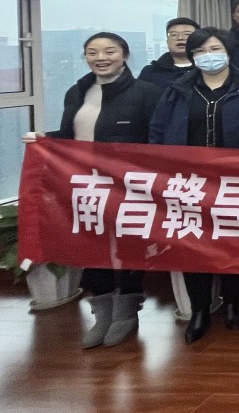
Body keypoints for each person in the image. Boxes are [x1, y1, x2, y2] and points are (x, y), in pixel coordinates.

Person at [25, 32, 163, 348]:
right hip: (83, 183)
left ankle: (127, 313)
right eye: (93, 52)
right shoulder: (77, 91)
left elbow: (157, 141)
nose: (101, 57)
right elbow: (71, 136)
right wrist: (44, 139)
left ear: (125, 55)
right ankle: (103, 313)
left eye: (109, 51)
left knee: (129, 246)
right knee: (91, 247)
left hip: (128, 185)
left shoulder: (147, 92)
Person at [148, 27, 239, 344]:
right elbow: (158, 131)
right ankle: (199, 309)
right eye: (200, 51)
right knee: (191, 243)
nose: (208, 56)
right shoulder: (178, 89)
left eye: (214, 49)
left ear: (227, 51)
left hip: (235, 181)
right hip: (188, 182)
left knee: (232, 242)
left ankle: (233, 301)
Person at [138, 17, 199, 87]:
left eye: (187, 34)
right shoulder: (150, 71)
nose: (180, 38)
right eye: (174, 34)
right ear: (167, 41)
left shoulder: (205, 69)